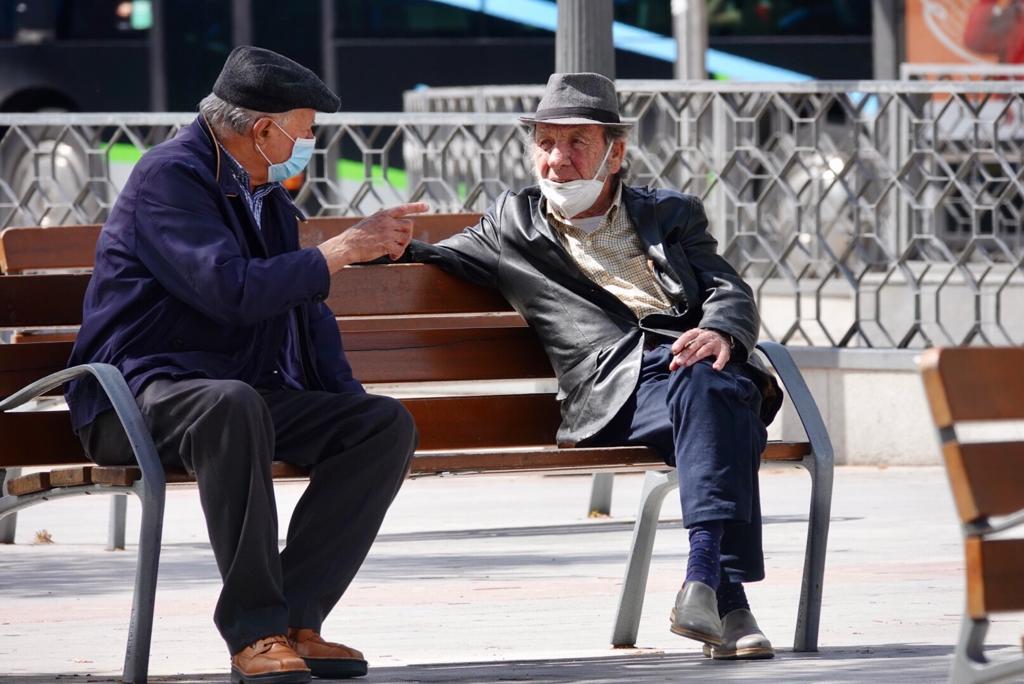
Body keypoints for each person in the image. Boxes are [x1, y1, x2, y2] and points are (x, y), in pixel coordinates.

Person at [65, 46, 425, 684]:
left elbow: (305, 317)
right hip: (137, 396)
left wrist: (346, 407)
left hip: (238, 401)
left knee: (380, 425)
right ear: (265, 130)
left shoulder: (267, 199)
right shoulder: (168, 178)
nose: (310, 142)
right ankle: (254, 632)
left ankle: (295, 621)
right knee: (232, 402)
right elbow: (229, 290)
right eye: (307, 129)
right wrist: (342, 249)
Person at [401, 72, 781, 660]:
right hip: (615, 387)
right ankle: (720, 593)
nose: (557, 160)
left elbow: (728, 289)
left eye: (577, 143)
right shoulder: (513, 224)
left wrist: (719, 329)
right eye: (546, 143)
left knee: (710, 387)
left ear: (615, 151)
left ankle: (708, 588)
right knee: (722, 398)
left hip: (692, 366)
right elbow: (432, 255)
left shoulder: (670, 214)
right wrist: (366, 243)